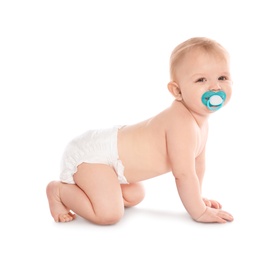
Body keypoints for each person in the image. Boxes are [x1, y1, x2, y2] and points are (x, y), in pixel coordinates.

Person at [46, 37, 234, 224]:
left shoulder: (201, 123)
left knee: (135, 195)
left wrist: (197, 197)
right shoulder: (181, 123)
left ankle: (99, 189)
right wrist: (198, 211)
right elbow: (184, 174)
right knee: (109, 214)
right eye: (201, 79)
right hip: (94, 157)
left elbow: (197, 165)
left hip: (115, 165)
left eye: (222, 78)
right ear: (177, 91)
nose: (215, 87)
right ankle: (59, 192)